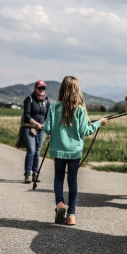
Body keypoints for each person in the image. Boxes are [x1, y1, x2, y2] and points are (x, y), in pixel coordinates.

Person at [43, 76, 108, 225]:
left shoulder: (54, 107)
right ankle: (71, 214)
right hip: (74, 152)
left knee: (59, 178)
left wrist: (51, 132)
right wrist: (99, 123)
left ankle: (60, 204)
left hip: (58, 151)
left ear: (62, 89)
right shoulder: (80, 109)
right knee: (72, 181)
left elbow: (47, 128)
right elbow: (85, 131)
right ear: (77, 90)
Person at [22, 80, 50, 184]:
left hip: (42, 129)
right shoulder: (29, 99)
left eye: (43, 88)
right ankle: (27, 174)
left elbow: (48, 116)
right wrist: (36, 124)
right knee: (31, 151)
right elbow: (27, 115)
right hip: (30, 128)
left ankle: (35, 174)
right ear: (35, 88)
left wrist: (48, 129)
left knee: (38, 152)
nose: (41, 90)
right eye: (39, 88)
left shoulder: (46, 101)